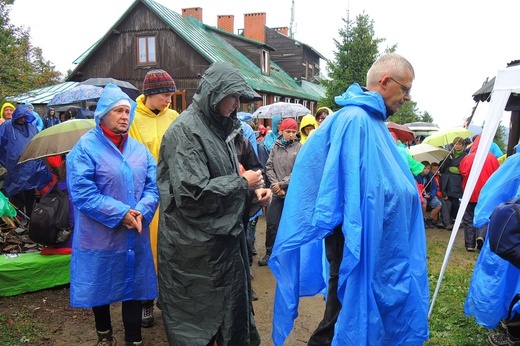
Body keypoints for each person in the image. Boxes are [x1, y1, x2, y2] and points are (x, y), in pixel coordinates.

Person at [269, 53, 429, 345]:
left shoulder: (374, 123)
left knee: (352, 304)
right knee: (343, 305)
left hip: (371, 234)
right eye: (405, 89)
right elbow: (340, 184)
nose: (407, 97)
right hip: (351, 235)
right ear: (384, 81)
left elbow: (383, 182)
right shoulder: (354, 120)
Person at [156, 61, 272, 346]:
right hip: (194, 253)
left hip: (222, 249)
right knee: (198, 328)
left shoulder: (220, 130)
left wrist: (251, 195)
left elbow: (220, 183)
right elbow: (192, 194)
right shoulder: (185, 131)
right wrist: (241, 185)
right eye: (232, 97)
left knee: (233, 323)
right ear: (215, 94)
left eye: (238, 98)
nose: (236, 104)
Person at [66, 84, 159, 346]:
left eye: (127, 111)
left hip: (134, 232)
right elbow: (83, 192)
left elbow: (153, 186)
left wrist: (140, 211)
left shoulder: (139, 151)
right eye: (118, 110)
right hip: (100, 235)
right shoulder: (85, 149)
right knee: (101, 286)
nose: (124, 116)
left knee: (132, 287)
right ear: (103, 114)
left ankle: (134, 340)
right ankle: (105, 336)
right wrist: (120, 213)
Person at [128, 68, 179, 328]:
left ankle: (169, 300)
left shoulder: (175, 117)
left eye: (171, 94)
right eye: (165, 95)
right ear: (150, 93)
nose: (169, 99)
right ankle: (145, 301)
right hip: (145, 194)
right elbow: (134, 157)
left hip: (173, 193)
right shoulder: (133, 118)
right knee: (146, 250)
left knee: (172, 248)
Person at [464, 153, 520, 346]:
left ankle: (513, 331)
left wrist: (481, 219)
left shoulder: (515, 162)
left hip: (514, 235)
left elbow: (494, 190)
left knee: (507, 281)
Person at [257, 118, 301, 266]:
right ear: (281, 131)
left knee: (290, 224)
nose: (291, 134)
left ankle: (288, 256)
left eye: (293, 131)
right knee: (272, 223)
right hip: (276, 193)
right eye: (288, 131)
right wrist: (275, 184)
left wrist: (282, 184)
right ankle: (269, 253)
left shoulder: (299, 148)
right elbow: (268, 166)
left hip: (292, 192)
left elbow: (298, 170)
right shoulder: (275, 147)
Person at [0, 104, 52, 217]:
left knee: (30, 194)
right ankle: (19, 219)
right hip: (14, 168)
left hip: (30, 168)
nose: (23, 119)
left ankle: (31, 219)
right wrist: (5, 163)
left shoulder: (32, 126)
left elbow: (37, 143)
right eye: (21, 117)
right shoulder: (7, 126)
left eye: (25, 117)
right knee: (16, 195)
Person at [459, 135, 499, 251]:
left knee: (469, 218)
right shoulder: (492, 158)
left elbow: (463, 172)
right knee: (485, 215)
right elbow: (497, 174)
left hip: (470, 193)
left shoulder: (467, 158)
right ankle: (481, 235)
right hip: (486, 193)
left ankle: (469, 244)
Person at [440, 136, 467, 228]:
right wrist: (449, 161)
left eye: (459, 144)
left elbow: (461, 169)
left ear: (463, 145)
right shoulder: (449, 154)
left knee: (455, 200)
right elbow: (443, 168)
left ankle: (457, 218)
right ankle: (449, 219)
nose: (457, 146)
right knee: (448, 200)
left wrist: (451, 169)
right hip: (447, 181)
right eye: (456, 144)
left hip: (457, 181)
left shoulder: (464, 155)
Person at [415, 161, 442, 229]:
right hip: (421, 194)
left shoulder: (430, 176)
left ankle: (429, 219)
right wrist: (423, 194)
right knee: (424, 204)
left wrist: (431, 195)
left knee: (438, 205)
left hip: (429, 194)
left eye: (428, 168)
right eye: (425, 168)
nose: (427, 170)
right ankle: (422, 219)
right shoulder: (416, 176)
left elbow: (434, 188)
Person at [431, 161, 452, 229]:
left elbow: (443, 187)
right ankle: (447, 223)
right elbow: (434, 189)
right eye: (434, 169)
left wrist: (444, 195)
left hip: (441, 194)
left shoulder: (440, 177)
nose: (435, 171)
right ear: (431, 170)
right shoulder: (431, 178)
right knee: (443, 204)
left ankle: (441, 221)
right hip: (435, 195)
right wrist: (441, 195)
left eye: (437, 169)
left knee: (449, 203)